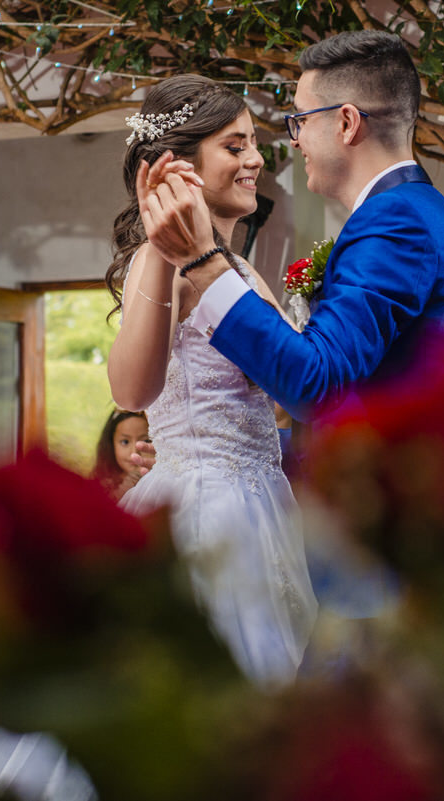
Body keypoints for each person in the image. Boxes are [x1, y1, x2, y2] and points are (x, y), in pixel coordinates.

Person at [136, 30, 444, 425]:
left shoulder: (396, 221)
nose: (294, 140)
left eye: (300, 121)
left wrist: (203, 261)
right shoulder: (419, 210)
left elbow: (317, 385)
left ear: (346, 122)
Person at [105, 75, 317, 690]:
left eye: (253, 143)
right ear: (176, 167)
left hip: (261, 500)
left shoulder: (239, 266)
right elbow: (131, 393)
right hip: (207, 508)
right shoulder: (158, 258)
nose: (256, 159)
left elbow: (288, 386)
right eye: (235, 145)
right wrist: (165, 255)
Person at [91, 408, 149, 500]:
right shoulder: (103, 485)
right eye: (125, 442)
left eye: (146, 441)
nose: (134, 453)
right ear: (111, 443)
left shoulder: (164, 481)